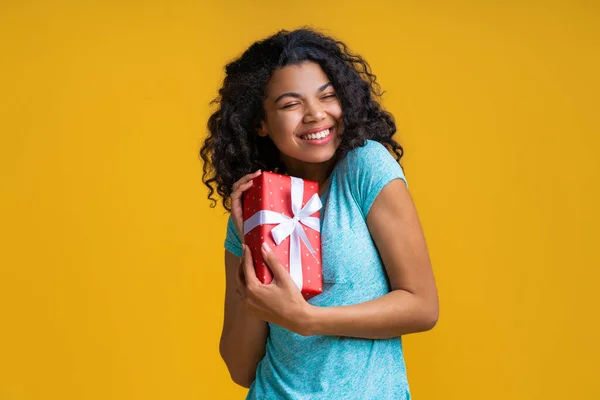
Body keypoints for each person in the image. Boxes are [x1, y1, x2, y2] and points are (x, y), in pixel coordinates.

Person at [200, 27, 439, 400]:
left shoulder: (365, 168)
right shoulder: (253, 209)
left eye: (327, 97)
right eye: (291, 104)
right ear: (259, 122)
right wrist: (251, 241)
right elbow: (240, 367)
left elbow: (422, 306)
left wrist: (308, 320)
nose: (315, 115)